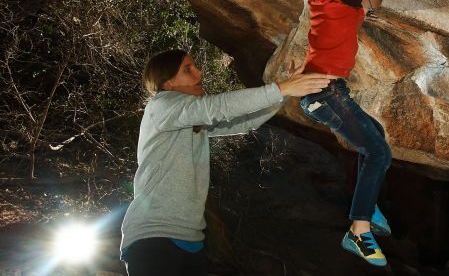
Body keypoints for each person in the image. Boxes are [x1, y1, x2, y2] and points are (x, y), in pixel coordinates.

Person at [119, 49, 335, 276]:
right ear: (168, 83)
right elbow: (216, 108)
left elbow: (243, 121)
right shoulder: (161, 106)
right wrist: (281, 89)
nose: (198, 72)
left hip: (190, 239)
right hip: (153, 237)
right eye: (187, 69)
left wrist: (286, 92)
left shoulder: (189, 119)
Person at [299, 0, 392, 267]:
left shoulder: (323, 1)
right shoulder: (346, 6)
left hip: (326, 94)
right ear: (367, 3)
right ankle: (358, 231)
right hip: (325, 93)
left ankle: (366, 206)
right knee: (378, 152)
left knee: (376, 136)